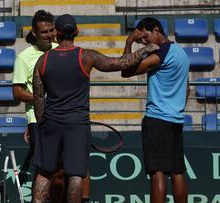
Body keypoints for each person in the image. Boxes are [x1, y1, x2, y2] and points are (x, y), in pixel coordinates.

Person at [32, 14, 159, 203]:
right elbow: (120, 63)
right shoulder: (87, 56)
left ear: (56, 34)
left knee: (44, 174)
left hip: (50, 123)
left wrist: (43, 122)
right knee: (75, 175)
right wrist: (144, 50)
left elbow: (38, 99)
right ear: (76, 32)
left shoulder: (42, 61)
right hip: (77, 124)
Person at [121, 17, 189, 203]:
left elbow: (125, 70)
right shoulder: (181, 53)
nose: (144, 41)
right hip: (176, 119)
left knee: (157, 172)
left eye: (145, 36)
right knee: (177, 171)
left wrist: (129, 42)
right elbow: (187, 88)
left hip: (158, 119)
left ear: (157, 30)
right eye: (141, 39)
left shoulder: (162, 53)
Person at [12, 10, 70, 203]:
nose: (49, 35)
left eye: (51, 30)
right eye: (44, 32)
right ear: (34, 33)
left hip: (64, 119)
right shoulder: (24, 58)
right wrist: (43, 99)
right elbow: (18, 93)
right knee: (45, 170)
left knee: (61, 172)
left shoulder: (61, 50)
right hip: (39, 121)